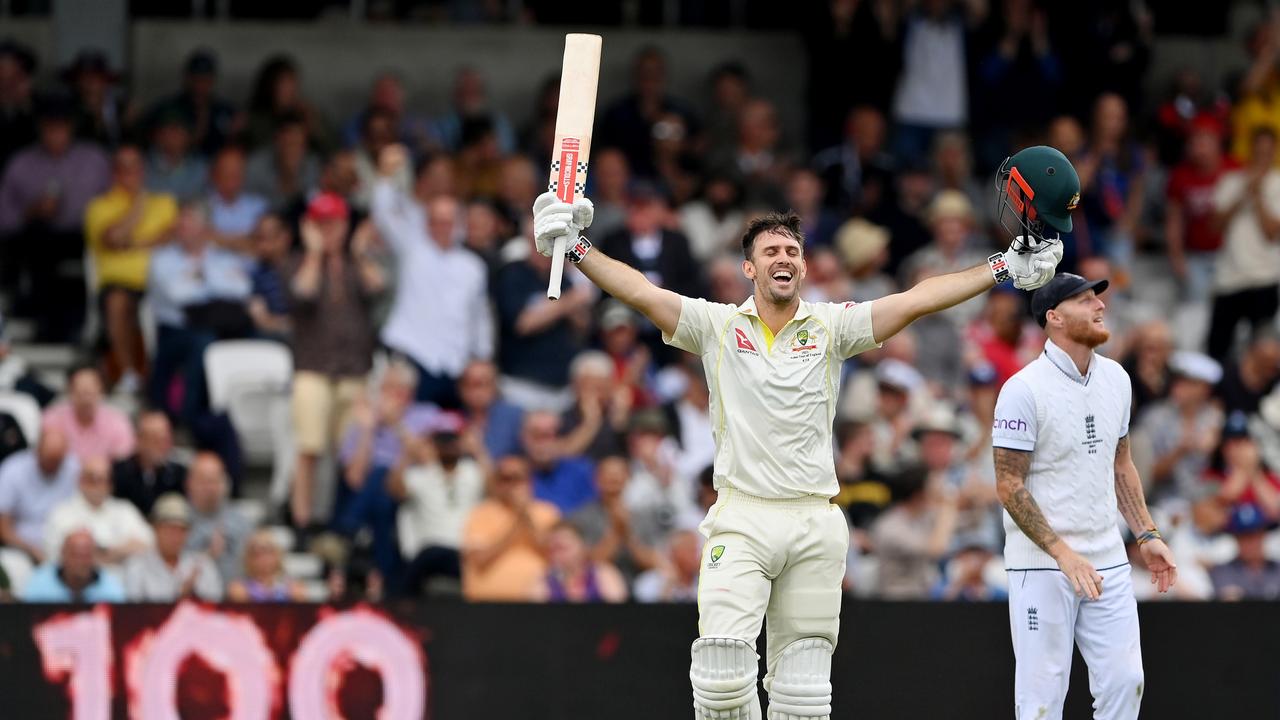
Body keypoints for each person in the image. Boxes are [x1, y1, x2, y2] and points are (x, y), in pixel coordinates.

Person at [531, 144, 1070, 718]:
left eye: (792, 249)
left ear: (804, 266)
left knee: (804, 696)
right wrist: (579, 249)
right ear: (749, 267)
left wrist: (1002, 267)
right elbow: (640, 292)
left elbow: (916, 300)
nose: (782, 257)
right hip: (741, 517)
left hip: (815, 519)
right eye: (770, 251)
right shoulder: (716, 326)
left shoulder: (832, 327)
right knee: (720, 677)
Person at [991, 272, 1178, 720]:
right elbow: (1008, 485)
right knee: (1041, 701)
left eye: (1098, 298)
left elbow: (1121, 465)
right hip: (1042, 564)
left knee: (1126, 681)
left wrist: (1147, 533)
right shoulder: (1022, 389)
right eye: (1085, 300)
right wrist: (1062, 554)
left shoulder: (1116, 378)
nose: (1100, 307)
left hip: (1108, 557)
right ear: (1054, 318)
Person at [286, 193, 386, 527]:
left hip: (355, 370)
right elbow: (303, 292)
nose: (329, 230)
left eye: (335, 223)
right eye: (322, 223)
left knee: (352, 453)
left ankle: (344, 523)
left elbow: (378, 286)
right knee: (309, 449)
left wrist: (357, 253)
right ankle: (302, 521)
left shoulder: (357, 263)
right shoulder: (297, 259)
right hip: (312, 368)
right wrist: (315, 253)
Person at [84, 144, 178, 390]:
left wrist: (133, 242)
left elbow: (174, 236)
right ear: (114, 173)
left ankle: (168, 378)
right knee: (117, 301)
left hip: (166, 281)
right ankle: (128, 373)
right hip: (121, 282)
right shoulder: (99, 206)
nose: (131, 174)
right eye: (124, 169)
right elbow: (112, 239)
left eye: (135, 168)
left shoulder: (164, 202)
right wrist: (137, 209)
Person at [389, 411, 487, 597]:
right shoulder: (421, 475)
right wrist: (408, 454)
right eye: (442, 440)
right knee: (430, 553)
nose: (448, 446)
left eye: (452, 440)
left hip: (465, 553)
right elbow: (395, 490)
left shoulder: (472, 472)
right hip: (428, 554)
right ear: (433, 443)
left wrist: (478, 449)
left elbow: (494, 489)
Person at [460, 455, 560, 601]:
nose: (511, 484)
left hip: (539, 603)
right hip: (488, 604)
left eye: (517, 478)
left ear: (529, 482)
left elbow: (555, 557)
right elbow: (479, 560)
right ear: (496, 483)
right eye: (505, 478)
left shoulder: (548, 512)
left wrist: (525, 515)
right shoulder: (481, 513)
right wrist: (518, 521)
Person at [43, 455, 153, 564]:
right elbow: (54, 555)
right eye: (92, 479)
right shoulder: (62, 513)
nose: (98, 485)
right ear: (80, 481)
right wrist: (116, 553)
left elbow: (149, 543)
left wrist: (109, 552)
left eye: (103, 479)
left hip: (122, 579)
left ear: (111, 484)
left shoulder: (124, 510)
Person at [0, 423, 79, 563]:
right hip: (23, 549)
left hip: (66, 547)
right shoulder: (12, 470)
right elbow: (4, 528)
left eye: (58, 461)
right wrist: (31, 550)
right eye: (49, 460)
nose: (53, 466)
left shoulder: (73, 469)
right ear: (37, 451)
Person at [123, 492, 222, 601]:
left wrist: (194, 596)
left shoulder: (203, 565)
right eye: (169, 529)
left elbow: (214, 608)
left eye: (181, 530)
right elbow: (133, 612)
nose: (175, 537)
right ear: (156, 529)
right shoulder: (137, 566)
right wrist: (179, 596)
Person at [42, 364, 136, 462]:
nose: (86, 399)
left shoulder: (118, 421)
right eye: (80, 392)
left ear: (101, 391)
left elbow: (124, 456)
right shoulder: (53, 418)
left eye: (90, 392)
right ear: (69, 391)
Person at [185, 451, 252, 583]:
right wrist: (207, 556)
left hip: (236, 598)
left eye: (215, 481)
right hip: (190, 598)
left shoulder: (241, 521)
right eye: (203, 481)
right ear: (189, 483)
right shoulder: (178, 521)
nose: (210, 488)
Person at [111, 409, 187, 517]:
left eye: (166, 439)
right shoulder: (120, 474)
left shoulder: (178, 474)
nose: (163, 446)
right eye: (156, 440)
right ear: (139, 440)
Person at [533, 520, 628, 603]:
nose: (556, 555)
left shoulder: (603, 574)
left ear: (582, 546)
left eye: (562, 548)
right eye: (552, 550)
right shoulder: (544, 581)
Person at [21, 529, 126, 603]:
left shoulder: (111, 588)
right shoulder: (39, 584)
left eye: (86, 556)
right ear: (63, 554)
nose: (81, 562)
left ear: (95, 558)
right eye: (76, 555)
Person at [226, 528, 308, 602]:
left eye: (269, 552)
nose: (264, 558)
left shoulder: (292, 589)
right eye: (257, 554)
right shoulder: (239, 589)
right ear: (249, 558)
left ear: (277, 555)